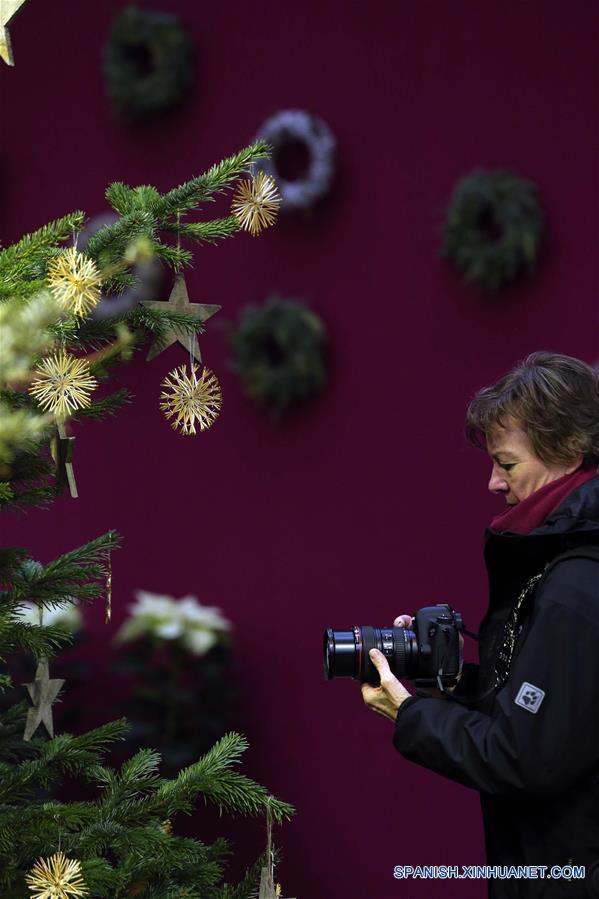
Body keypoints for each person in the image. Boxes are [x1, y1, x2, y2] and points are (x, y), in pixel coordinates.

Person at [362, 352, 599, 898]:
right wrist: (445, 681)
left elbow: (520, 758)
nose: (493, 483)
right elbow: (553, 715)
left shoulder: (577, 583)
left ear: (568, 450)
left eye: (507, 464)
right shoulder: (561, 562)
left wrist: (411, 714)